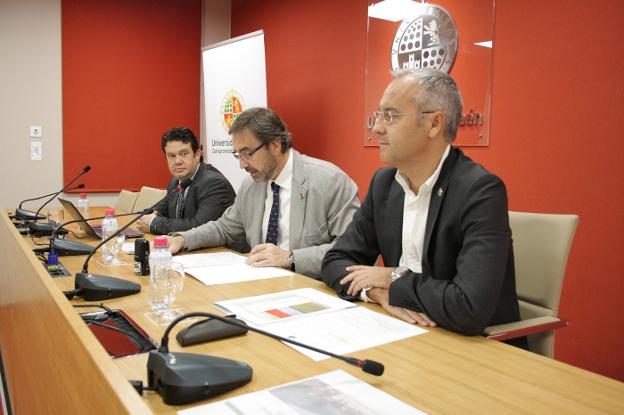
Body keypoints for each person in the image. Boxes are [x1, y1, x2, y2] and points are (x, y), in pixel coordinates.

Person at [321, 68, 526, 347]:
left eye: (390, 116)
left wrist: (393, 278)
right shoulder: (384, 184)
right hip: (400, 334)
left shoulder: (480, 191)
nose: (376, 127)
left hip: (472, 348)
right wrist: (377, 292)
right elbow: (335, 261)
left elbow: (469, 307)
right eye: (378, 115)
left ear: (434, 124)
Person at [166, 107, 360, 279]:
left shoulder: (329, 181)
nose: (242, 165)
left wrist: (290, 258)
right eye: (237, 155)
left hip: (313, 289)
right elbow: (224, 228)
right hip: (260, 286)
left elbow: (352, 250)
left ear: (275, 145)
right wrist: (182, 239)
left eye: (247, 153)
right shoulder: (251, 185)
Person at [136, 127, 236, 235]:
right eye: (171, 156)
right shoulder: (175, 181)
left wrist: (153, 223)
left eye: (184, 154)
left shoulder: (213, 183)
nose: (177, 161)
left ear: (197, 155)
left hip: (220, 250)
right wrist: (147, 216)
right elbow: (160, 210)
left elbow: (200, 227)